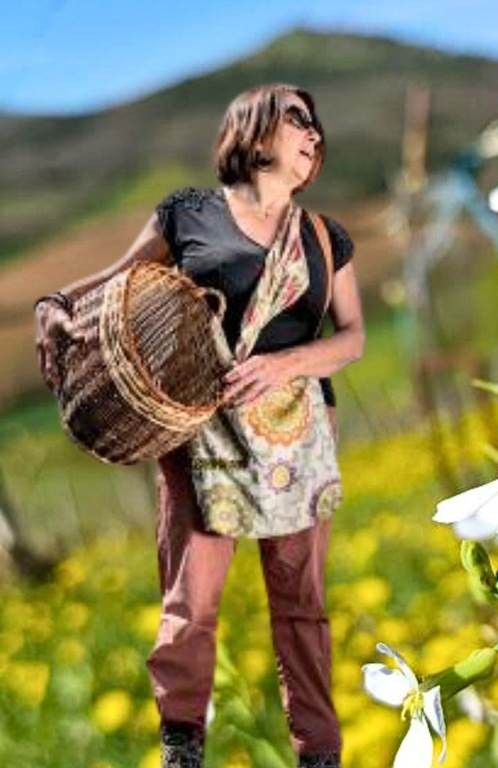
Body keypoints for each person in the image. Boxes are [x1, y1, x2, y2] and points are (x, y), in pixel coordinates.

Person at [33, 83, 366, 768]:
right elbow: (120, 280)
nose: (314, 135)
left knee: (300, 603)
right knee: (191, 599)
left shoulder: (324, 238)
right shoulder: (188, 214)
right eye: (297, 119)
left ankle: (319, 752)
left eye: (317, 126)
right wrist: (57, 301)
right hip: (203, 428)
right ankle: (182, 745)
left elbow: (353, 337)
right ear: (254, 129)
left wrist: (287, 363)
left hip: (298, 434)